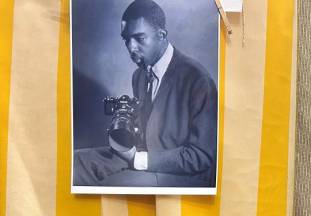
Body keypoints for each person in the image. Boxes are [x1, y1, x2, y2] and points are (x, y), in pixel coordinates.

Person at [73, 0, 218, 187]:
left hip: (185, 174)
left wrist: (137, 159)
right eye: (126, 39)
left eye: (140, 38)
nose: (131, 47)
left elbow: (201, 156)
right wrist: (126, 129)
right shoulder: (139, 76)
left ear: (161, 35)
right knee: (77, 162)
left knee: (115, 183)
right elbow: (148, 133)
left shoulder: (198, 80)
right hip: (145, 158)